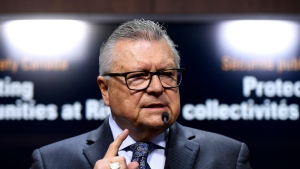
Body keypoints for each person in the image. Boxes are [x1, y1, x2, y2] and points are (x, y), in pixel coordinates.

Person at [30, 19, 251, 169]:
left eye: (166, 74)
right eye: (138, 76)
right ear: (105, 89)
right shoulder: (52, 161)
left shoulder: (227, 156)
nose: (156, 88)